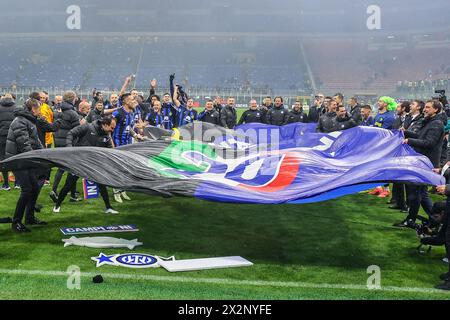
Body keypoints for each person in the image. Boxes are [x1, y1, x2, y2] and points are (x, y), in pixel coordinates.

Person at [394, 100, 445, 228]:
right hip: (422, 161)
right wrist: (406, 132)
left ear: (436, 110)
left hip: (427, 163)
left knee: (416, 193)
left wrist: (409, 140)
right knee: (421, 194)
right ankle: (435, 220)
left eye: (428, 107)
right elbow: (420, 136)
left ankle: (413, 220)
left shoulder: (437, 124)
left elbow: (429, 143)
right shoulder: (430, 122)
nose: (425, 109)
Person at [53, 116, 119, 214]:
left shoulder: (107, 135)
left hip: (94, 164)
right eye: (112, 128)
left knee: (102, 184)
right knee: (68, 185)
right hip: (79, 162)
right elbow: (71, 133)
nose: (112, 130)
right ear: (105, 124)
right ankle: (57, 205)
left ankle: (108, 207)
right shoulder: (88, 127)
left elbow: (110, 149)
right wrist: (69, 148)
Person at [5, 98, 46, 232]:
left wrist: (43, 153)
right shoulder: (20, 121)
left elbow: (35, 140)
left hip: (25, 160)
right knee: (27, 190)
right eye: (38, 108)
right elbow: (24, 144)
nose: (40, 111)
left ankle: (29, 217)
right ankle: (16, 222)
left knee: (34, 188)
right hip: (18, 161)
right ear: (32, 109)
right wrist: (35, 157)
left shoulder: (28, 120)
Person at [50, 91, 84, 204]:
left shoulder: (56, 110)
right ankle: (72, 195)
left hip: (58, 141)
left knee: (61, 167)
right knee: (72, 168)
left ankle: (55, 190)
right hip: (69, 142)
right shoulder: (72, 113)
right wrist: (82, 124)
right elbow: (77, 131)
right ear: (72, 99)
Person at [111, 92, 144, 203]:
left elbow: (128, 128)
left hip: (127, 144)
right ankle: (116, 191)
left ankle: (123, 190)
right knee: (117, 168)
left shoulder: (130, 113)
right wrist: (112, 145)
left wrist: (135, 135)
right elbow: (110, 129)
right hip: (117, 144)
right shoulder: (117, 113)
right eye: (131, 99)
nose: (133, 101)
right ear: (125, 101)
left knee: (125, 168)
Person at [0, 93, 20, 191]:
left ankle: (6, 184)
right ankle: (17, 183)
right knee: (15, 158)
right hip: (14, 136)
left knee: (3, 159)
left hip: (2, 137)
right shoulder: (16, 108)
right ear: (12, 98)